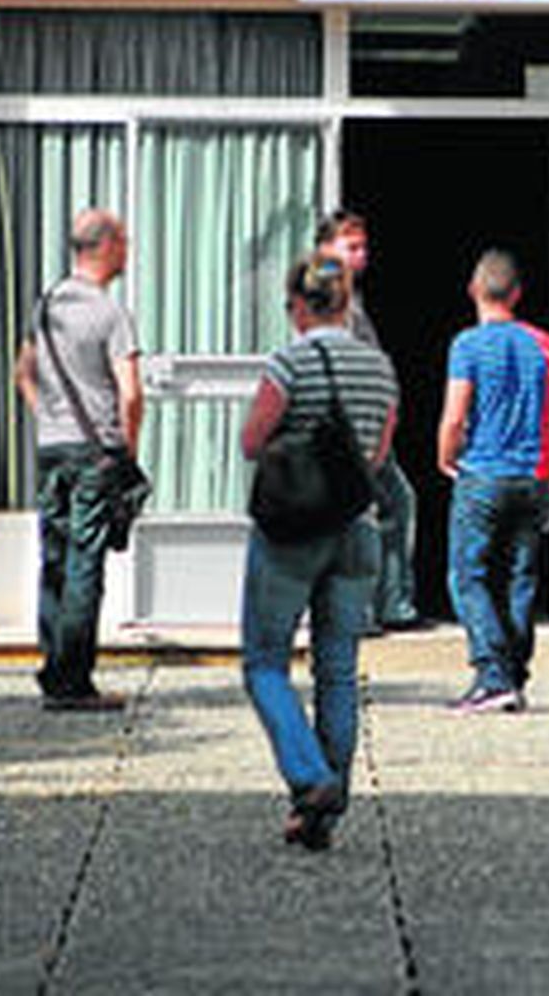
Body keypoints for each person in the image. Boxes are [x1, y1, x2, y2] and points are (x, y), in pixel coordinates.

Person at [239, 254, 399, 850]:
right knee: (337, 671)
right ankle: (322, 812)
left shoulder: (291, 360)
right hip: (356, 530)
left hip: (292, 532)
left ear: (301, 305)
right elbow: (378, 455)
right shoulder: (380, 366)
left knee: (263, 661)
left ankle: (309, 779)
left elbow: (253, 440)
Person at [15, 209, 142, 712]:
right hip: (96, 452)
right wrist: (127, 450)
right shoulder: (110, 314)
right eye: (125, 240)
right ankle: (73, 682)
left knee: (54, 557)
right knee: (85, 560)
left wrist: (48, 417)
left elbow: (22, 373)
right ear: (106, 246)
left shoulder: (46, 306)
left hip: (52, 448)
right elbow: (130, 392)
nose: (129, 249)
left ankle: (52, 670)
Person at [437, 251, 549, 713]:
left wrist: (446, 457)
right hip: (532, 475)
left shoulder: (467, 345)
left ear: (474, 291)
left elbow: (455, 415)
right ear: (517, 294)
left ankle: (492, 674)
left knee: (468, 575)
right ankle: (514, 675)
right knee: (520, 577)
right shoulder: (545, 345)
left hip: (484, 474)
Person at [316, 209, 426, 634]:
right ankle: (364, 609)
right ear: (327, 249)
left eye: (364, 246)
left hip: (368, 425)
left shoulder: (347, 296)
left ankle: (387, 605)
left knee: (393, 505)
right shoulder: (331, 299)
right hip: (351, 429)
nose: (363, 254)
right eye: (352, 246)